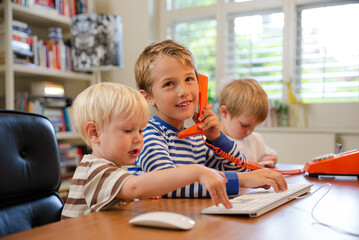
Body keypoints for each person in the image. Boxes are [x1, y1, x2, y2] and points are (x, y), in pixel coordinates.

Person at [130, 39, 287, 199]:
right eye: (169, 83)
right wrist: (242, 180)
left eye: (189, 79)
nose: (183, 91)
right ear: (148, 97)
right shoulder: (148, 134)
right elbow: (167, 186)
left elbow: (239, 169)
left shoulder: (195, 138)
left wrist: (217, 138)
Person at [61, 82, 234, 219]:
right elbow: (135, 187)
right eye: (128, 131)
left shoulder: (112, 168)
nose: (138, 138)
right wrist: (196, 171)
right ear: (95, 133)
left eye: (141, 130)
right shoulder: (94, 170)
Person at [219, 78, 278, 168]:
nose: (250, 132)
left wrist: (267, 160)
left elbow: (273, 156)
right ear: (224, 112)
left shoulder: (255, 140)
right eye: (245, 125)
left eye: (254, 126)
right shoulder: (212, 144)